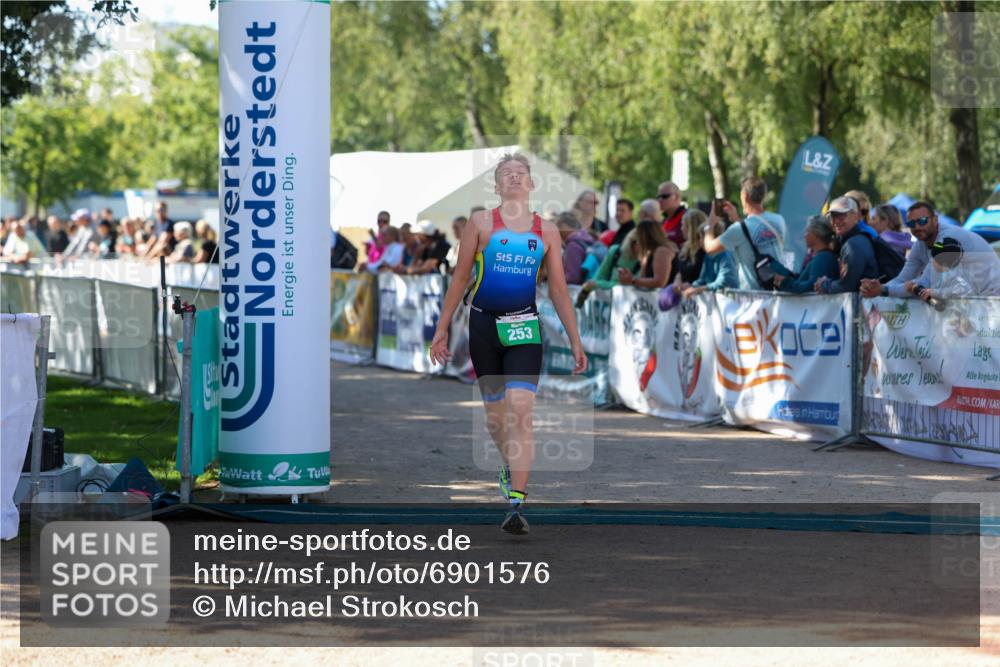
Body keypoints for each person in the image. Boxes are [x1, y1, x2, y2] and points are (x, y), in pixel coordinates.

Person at [429, 153, 587, 536]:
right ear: (497, 186)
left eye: (521, 174)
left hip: (524, 329)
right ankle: (508, 465)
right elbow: (460, 277)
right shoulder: (481, 224)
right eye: (506, 174)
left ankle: (517, 500)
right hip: (483, 325)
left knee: (522, 413)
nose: (514, 178)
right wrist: (442, 328)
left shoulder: (547, 231)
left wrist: (575, 340)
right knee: (496, 419)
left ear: (531, 185)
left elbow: (560, 291)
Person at [861, 200, 1000, 299]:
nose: (917, 227)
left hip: (992, 300)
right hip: (974, 299)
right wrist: (878, 287)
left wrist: (882, 291)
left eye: (922, 221)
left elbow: (925, 283)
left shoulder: (946, 240)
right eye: (911, 223)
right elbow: (903, 278)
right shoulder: (920, 244)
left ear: (935, 220)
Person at [703, 176, 787, 290]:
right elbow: (751, 234)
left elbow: (709, 248)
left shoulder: (738, 229)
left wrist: (709, 224)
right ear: (764, 195)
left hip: (754, 298)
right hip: (777, 293)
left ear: (745, 196)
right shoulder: (779, 220)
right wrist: (737, 218)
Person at [813, 196, 879, 293]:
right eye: (833, 216)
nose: (836, 221)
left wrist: (824, 285)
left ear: (856, 217)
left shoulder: (854, 245)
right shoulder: (851, 241)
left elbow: (847, 286)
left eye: (841, 215)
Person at [773, 215, 839, 293]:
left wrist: (785, 282)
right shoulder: (823, 256)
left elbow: (811, 286)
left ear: (816, 234)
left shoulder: (823, 258)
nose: (804, 235)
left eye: (807, 231)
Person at [619, 210, 677, 290]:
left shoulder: (662, 251)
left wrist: (632, 280)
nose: (637, 239)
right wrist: (629, 278)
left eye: (638, 235)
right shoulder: (650, 253)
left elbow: (660, 282)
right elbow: (642, 278)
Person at [558, 211, 595, 285]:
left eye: (559, 225)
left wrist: (553, 279)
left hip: (576, 289)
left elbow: (573, 277)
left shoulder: (573, 245)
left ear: (565, 226)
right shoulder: (585, 239)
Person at [674, 209, 707, 284]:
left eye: (683, 225)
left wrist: (692, 286)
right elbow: (680, 271)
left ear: (691, 228)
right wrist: (678, 279)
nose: (681, 229)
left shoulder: (705, 249)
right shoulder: (685, 248)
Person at [656, 181, 686, 246]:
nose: (660, 200)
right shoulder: (662, 221)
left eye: (665, 196)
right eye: (658, 197)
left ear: (677, 197)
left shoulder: (688, 217)